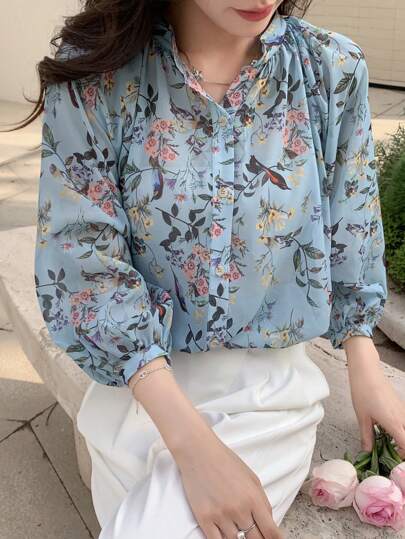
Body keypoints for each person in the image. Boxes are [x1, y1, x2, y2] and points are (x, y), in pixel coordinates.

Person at [11, 0, 405, 537]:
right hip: (138, 398)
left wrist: (364, 361)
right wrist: (194, 448)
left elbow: (351, 223)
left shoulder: (330, 69)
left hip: (267, 400)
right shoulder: (97, 72)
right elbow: (84, 264)